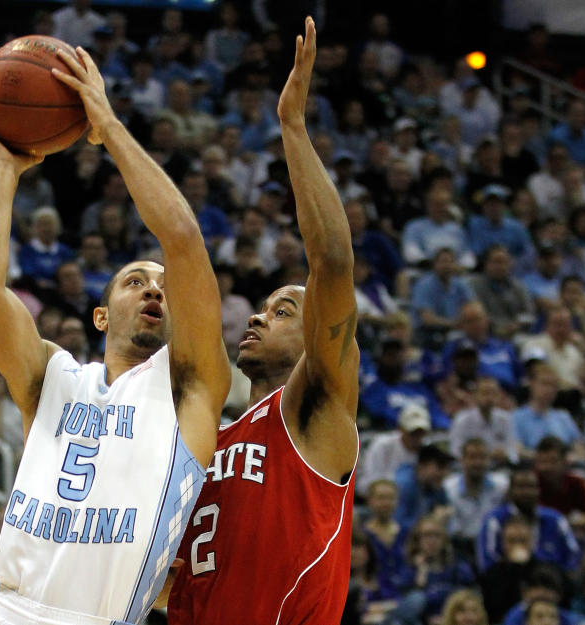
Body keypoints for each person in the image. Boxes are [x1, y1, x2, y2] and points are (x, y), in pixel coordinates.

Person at [0, 27, 230, 624]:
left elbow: (182, 239)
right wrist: (5, 168)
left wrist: (106, 128)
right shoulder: (50, 377)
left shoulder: (192, 387)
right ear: (100, 315)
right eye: (136, 280)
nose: (156, 287)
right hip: (3, 610)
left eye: (162, 284)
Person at [166, 20, 359, 624]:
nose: (257, 314)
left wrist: (293, 129)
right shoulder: (209, 441)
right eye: (262, 306)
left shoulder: (314, 412)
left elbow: (331, 262)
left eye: (283, 311)